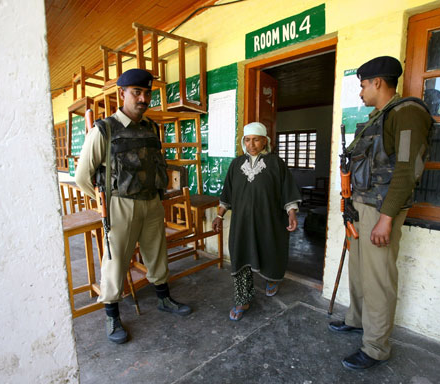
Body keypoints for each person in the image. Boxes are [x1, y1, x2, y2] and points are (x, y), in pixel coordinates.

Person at [328, 56, 432, 369]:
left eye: (362, 85)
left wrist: (386, 219)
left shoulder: (408, 113)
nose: (360, 92)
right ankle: (357, 320)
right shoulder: (379, 116)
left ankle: (375, 347)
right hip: (361, 208)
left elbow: (406, 169)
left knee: (378, 280)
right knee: (360, 274)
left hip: (379, 210)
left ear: (378, 82)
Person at [75, 68, 191, 344]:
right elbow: (82, 176)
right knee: (115, 262)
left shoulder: (151, 128)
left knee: (157, 253)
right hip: (120, 206)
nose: (142, 98)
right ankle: (112, 314)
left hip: (152, 201)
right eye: (136, 92)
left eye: (146, 93)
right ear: (122, 94)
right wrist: (105, 202)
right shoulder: (103, 130)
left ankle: (164, 299)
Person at [211, 122, 301, 321]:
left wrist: (292, 213)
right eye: (248, 140)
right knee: (241, 255)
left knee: (270, 249)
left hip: (269, 221)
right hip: (241, 224)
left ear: (265, 141)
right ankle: (242, 299)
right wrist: (219, 215)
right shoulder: (236, 165)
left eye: (256, 139)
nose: (251, 144)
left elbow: (288, 192)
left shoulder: (276, 163)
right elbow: (227, 194)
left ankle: (271, 278)